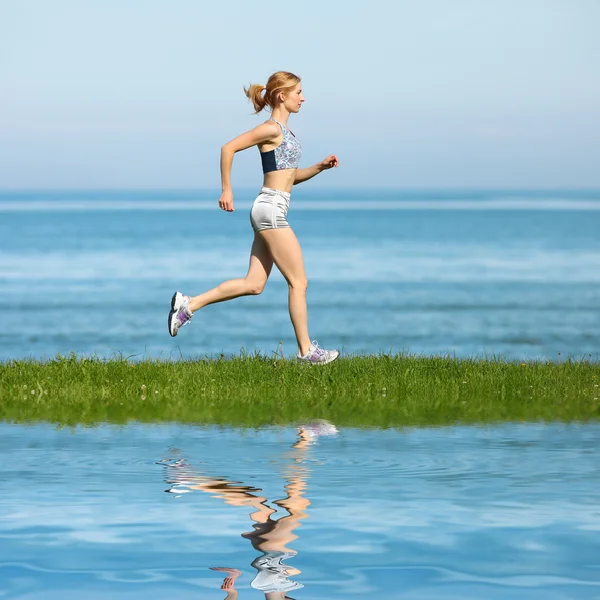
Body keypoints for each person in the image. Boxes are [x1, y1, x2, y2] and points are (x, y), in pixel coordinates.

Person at [168, 71, 340, 365]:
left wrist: (319, 167)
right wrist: (227, 190)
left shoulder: (285, 133)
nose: (303, 97)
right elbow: (228, 148)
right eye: (298, 92)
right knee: (299, 282)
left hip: (271, 207)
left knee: (254, 284)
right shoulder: (270, 129)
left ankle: (188, 305)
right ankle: (306, 350)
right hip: (271, 209)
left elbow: (289, 177)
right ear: (281, 96)